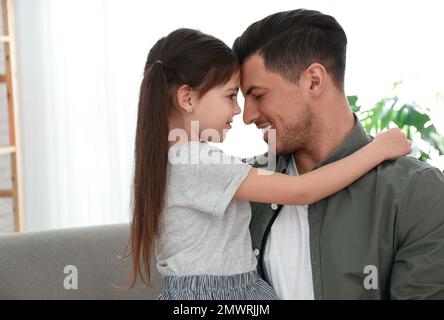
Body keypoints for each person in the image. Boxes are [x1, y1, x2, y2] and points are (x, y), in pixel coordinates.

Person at [125, 28, 411, 300]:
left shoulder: (170, 159)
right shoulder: (197, 160)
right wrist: (378, 149)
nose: (239, 111)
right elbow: (302, 191)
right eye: (229, 96)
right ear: (187, 98)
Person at [233, 9, 444, 299]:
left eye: (257, 95)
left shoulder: (417, 192)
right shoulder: (241, 186)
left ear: (314, 81)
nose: (247, 116)